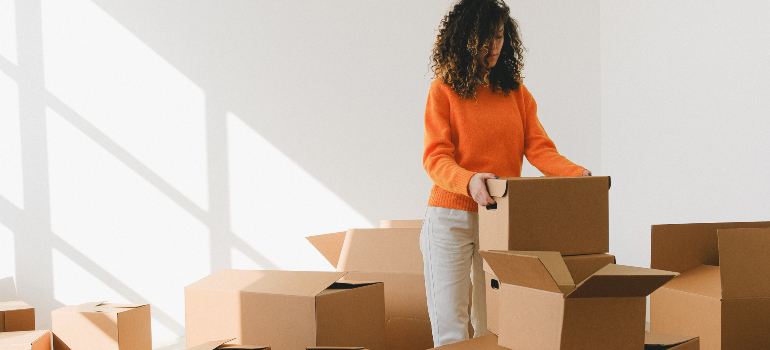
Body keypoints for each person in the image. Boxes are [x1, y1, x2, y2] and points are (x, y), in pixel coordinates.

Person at [420, 0, 592, 347]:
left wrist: (577, 175)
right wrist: (468, 180)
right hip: (450, 216)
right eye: (487, 38)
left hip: (498, 220)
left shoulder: (516, 93)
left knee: (494, 326)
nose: (495, 46)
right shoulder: (443, 91)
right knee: (451, 328)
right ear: (466, 39)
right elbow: (435, 157)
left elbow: (540, 148)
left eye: (500, 37)